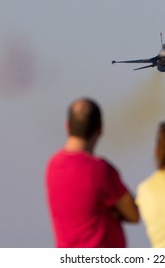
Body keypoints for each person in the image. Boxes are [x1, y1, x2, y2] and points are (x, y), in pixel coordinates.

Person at [46, 98, 139, 248]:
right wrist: (114, 212)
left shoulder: (53, 166)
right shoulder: (100, 169)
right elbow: (133, 214)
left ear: (67, 126)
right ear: (100, 128)